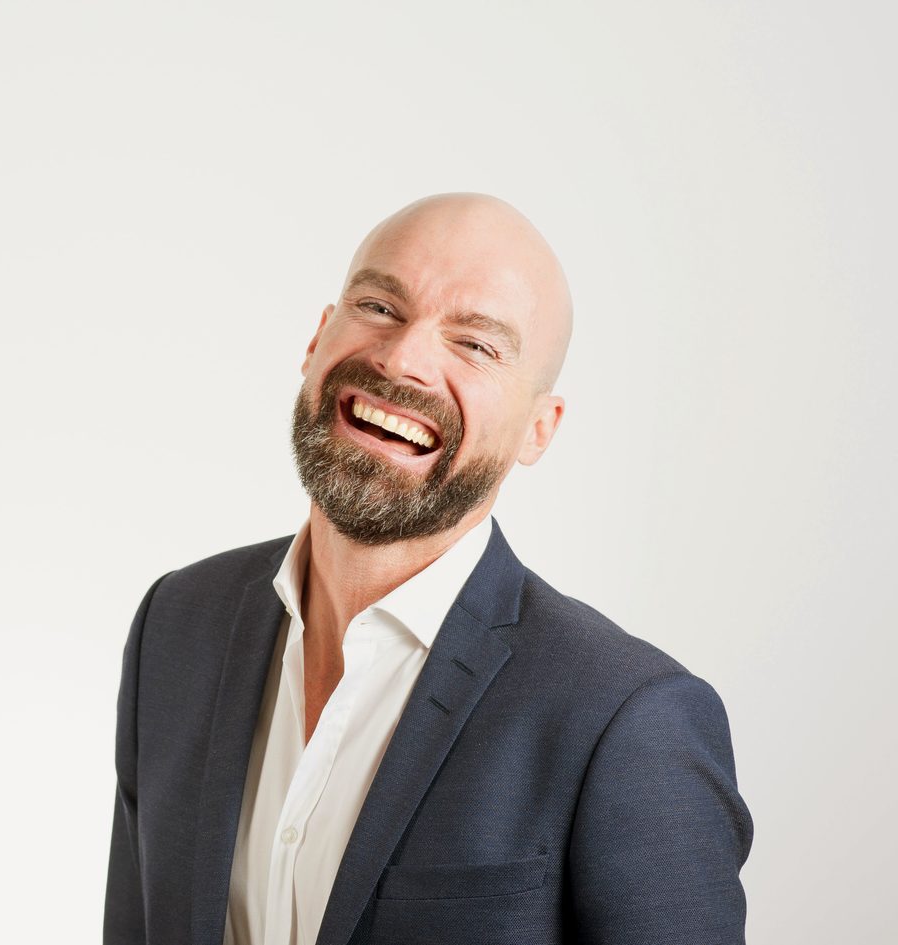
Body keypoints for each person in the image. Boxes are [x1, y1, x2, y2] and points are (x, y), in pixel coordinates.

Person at [104, 193, 753, 945]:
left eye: (476, 345)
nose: (403, 359)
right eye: (379, 306)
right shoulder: (177, 624)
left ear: (538, 429)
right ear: (317, 337)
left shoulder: (628, 720)